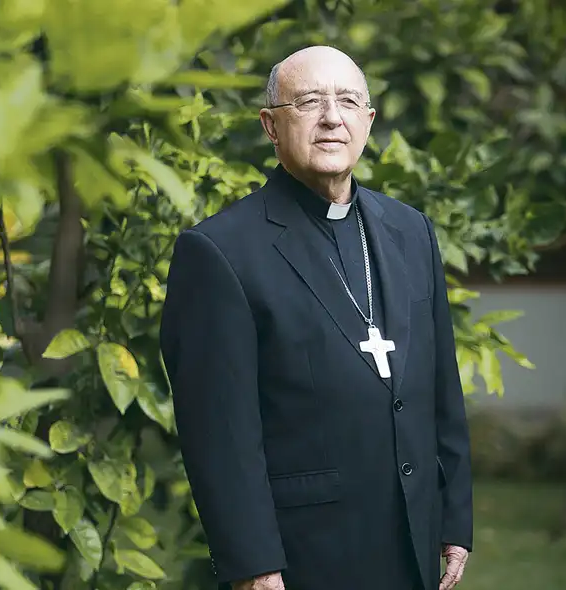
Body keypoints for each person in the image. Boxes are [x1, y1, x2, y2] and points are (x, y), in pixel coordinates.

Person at [159, 46, 473, 590]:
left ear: (368, 122)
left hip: (413, 545)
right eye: (309, 101)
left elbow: (442, 388)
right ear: (271, 126)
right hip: (305, 557)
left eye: (348, 101)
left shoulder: (410, 231)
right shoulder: (219, 251)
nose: (332, 117)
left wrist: (454, 517)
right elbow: (220, 436)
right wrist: (253, 566)